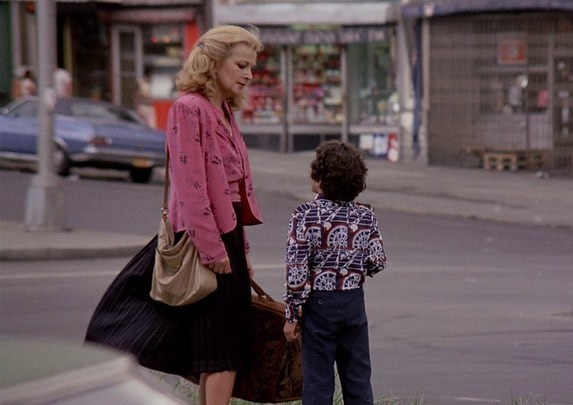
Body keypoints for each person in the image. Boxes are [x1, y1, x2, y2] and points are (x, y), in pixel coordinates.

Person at [84, 25, 264, 405]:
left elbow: (233, 192)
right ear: (213, 62)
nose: (249, 74)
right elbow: (190, 185)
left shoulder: (224, 111)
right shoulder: (189, 108)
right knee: (223, 353)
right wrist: (213, 249)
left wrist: (242, 250)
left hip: (226, 236)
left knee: (221, 351)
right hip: (203, 239)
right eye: (241, 65)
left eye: (251, 66)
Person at [283, 140, 387, 404]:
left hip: (319, 305)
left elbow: (297, 271)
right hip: (353, 302)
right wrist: (353, 266)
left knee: (318, 380)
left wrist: (292, 314)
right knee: (358, 379)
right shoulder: (366, 215)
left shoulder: (304, 215)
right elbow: (377, 261)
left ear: (321, 178)